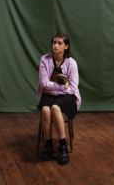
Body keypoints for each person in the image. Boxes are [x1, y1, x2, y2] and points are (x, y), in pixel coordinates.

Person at [37, 33, 81, 165]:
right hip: (51, 94)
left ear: (66, 46)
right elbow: (44, 84)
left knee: (56, 108)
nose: (55, 45)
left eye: (59, 43)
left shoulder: (72, 63)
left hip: (68, 97)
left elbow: (73, 88)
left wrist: (52, 90)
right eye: (54, 42)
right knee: (45, 109)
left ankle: (63, 146)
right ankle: (48, 144)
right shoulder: (44, 60)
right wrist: (62, 86)